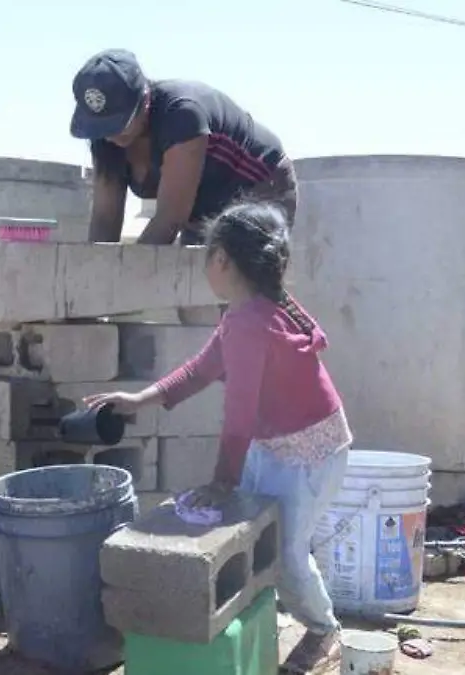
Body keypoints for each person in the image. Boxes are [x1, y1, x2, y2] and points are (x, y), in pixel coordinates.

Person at [82, 201, 351, 673]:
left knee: (286, 551)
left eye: (206, 253)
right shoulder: (246, 313)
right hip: (278, 443)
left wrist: (223, 482)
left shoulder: (252, 321)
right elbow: (201, 370)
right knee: (258, 539)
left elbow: (239, 417)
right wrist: (141, 398)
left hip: (309, 451)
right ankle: (267, 619)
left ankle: (324, 631)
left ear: (222, 258)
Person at [69, 49, 298, 246]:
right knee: (196, 287)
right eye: (100, 125)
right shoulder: (104, 138)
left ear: (145, 100)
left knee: (238, 280)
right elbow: (104, 220)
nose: (109, 134)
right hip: (201, 209)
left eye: (118, 123)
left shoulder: (182, 115)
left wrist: (124, 279)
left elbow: (169, 219)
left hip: (258, 184)